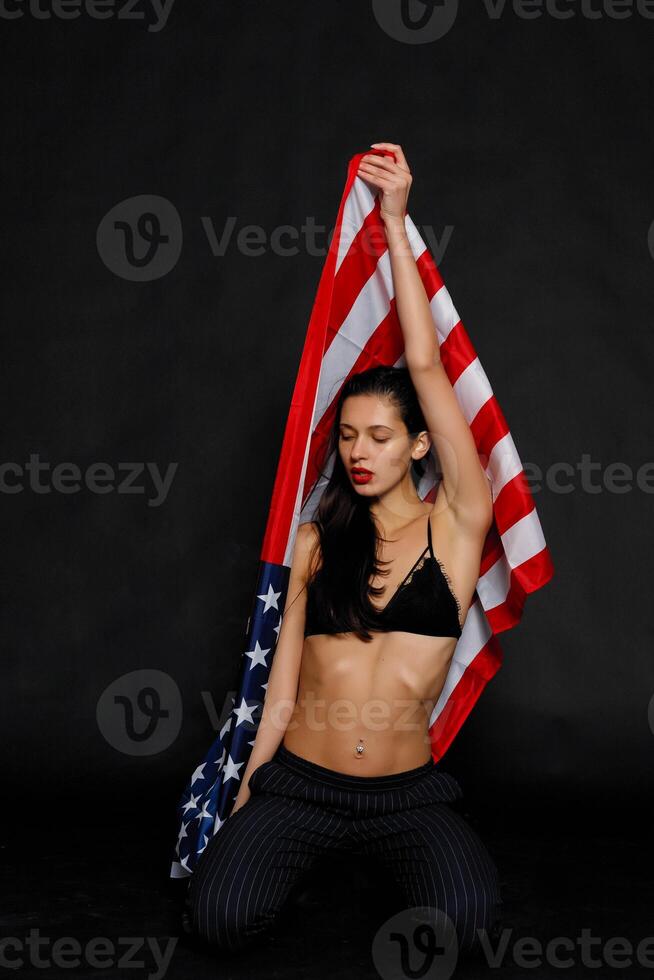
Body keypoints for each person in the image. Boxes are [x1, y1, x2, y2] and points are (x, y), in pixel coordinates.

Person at [186, 143, 503, 954]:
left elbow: (425, 361)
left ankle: (373, 863)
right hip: (302, 784)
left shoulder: (456, 524)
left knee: (465, 931)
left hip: (407, 795)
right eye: (349, 436)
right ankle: (296, 854)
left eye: (381, 436)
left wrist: (396, 223)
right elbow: (282, 692)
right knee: (220, 920)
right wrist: (252, 794)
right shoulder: (316, 540)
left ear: (420, 446)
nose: (359, 451)